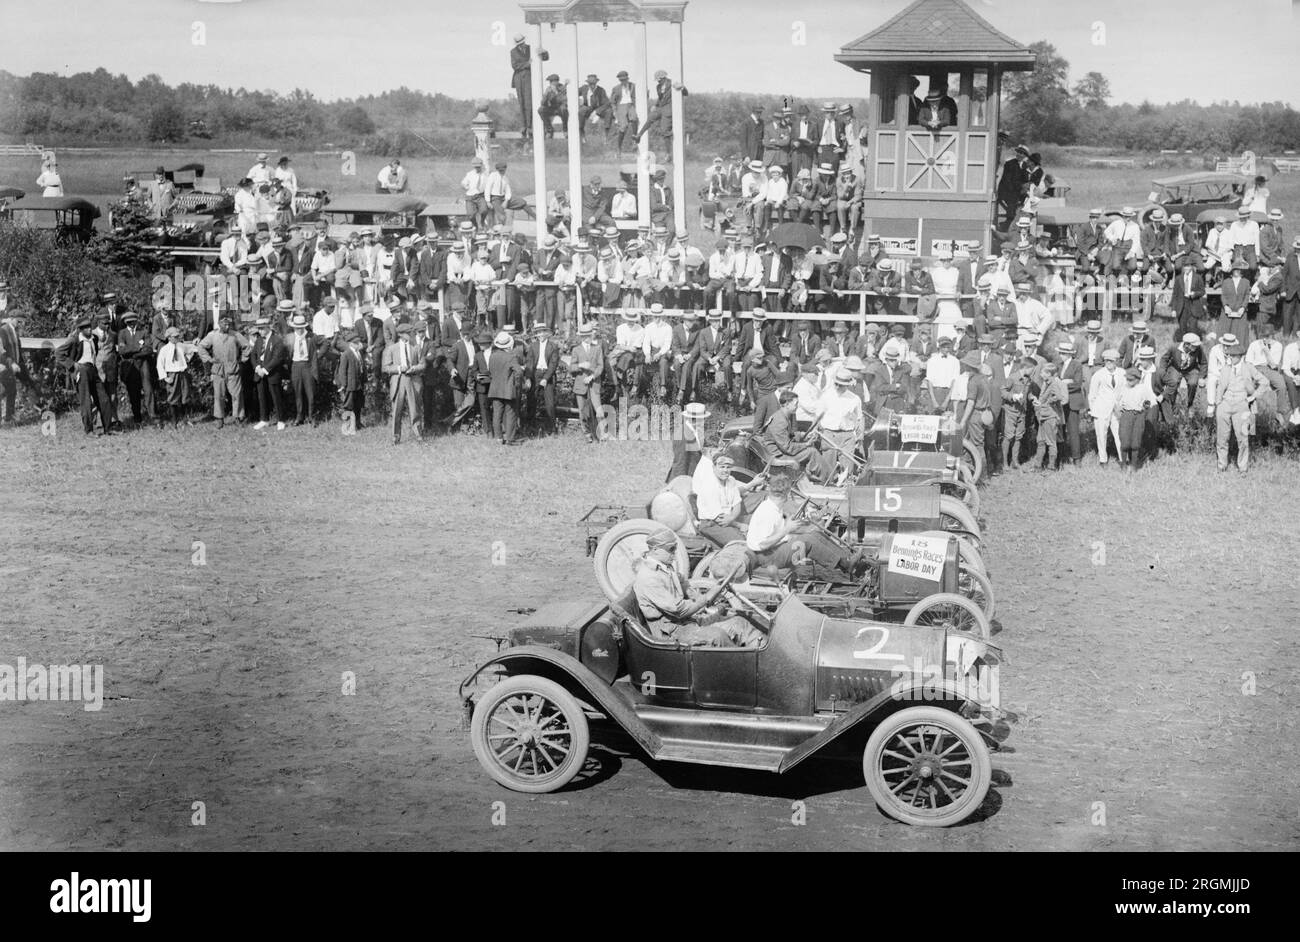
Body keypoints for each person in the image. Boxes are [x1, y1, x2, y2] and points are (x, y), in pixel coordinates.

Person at [632, 529, 762, 648]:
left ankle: (766, 656)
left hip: (686, 622)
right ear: (655, 550)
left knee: (739, 623)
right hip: (673, 632)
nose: (675, 553)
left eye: (675, 548)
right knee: (717, 636)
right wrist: (706, 598)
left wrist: (705, 593)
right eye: (671, 549)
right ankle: (744, 666)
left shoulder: (665, 567)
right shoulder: (649, 577)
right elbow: (679, 610)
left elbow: (685, 586)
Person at [1208, 342, 1265, 472]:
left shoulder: (1248, 368)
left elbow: (1264, 382)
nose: (1230, 358)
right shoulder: (1226, 368)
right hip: (1225, 404)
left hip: (1242, 405)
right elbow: (1220, 387)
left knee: (1243, 438)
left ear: (1240, 356)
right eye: (1229, 356)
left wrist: (1253, 396)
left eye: (1233, 356)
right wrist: (1218, 403)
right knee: (1222, 438)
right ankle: (1221, 466)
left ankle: (1243, 468)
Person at [692, 451, 762, 547]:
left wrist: (732, 517)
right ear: (713, 467)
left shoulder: (731, 480)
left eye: (728, 467)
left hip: (729, 518)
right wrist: (740, 525)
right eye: (722, 467)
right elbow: (720, 519)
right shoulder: (709, 485)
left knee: (759, 523)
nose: (725, 470)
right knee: (742, 542)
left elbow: (737, 504)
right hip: (712, 524)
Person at [57, 318, 114, 435]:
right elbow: (58, 353)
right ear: (80, 330)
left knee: (104, 399)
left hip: (93, 370)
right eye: (85, 328)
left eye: (89, 327)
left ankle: (108, 429)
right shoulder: (74, 340)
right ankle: (89, 431)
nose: (89, 329)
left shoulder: (95, 338)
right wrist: (73, 365)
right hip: (81, 370)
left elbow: (95, 353)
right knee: (86, 401)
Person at [0, 292, 40, 426]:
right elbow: (1, 352)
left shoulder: (14, 333)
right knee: (4, 391)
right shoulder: (3, 330)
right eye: (18, 321)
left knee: (11, 391)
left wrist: (23, 370)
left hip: (13, 366)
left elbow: (18, 352)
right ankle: (7, 419)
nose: (20, 324)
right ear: (11, 318)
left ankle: (8, 419)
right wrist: (11, 364)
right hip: (3, 367)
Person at [384, 323, 423, 444]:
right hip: (399, 380)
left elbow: (422, 364)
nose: (411, 335)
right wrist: (400, 368)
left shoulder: (415, 348)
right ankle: (395, 437)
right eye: (408, 333)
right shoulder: (392, 348)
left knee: (414, 409)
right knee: (397, 410)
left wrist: (414, 368)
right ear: (401, 334)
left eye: (411, 332)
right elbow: (386, 367)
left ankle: (419, 436)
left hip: (412, 380)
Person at [1086, 349, 1123, 464]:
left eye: (1111, 361)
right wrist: (1094, 410)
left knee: (1120, 435)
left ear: (1116, 361)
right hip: (1101, 409)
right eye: (1106, 360)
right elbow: (1092, 394)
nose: (1109, 363)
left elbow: (1125, 390)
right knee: (1101, 435)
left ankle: (1123, 459)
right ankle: (1103, 459)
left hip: (1117, 410)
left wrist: (1122, 406)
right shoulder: (1098, 375)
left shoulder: (1122, 373)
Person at [571, 322, 605, 443]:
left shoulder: (597, 348)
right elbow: (571, 367)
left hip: (594, 383)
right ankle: (587, 434)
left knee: (598, 409)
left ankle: (601, 434)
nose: (587, 338)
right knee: (583, 412)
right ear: (581, 337)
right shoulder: (576, 349)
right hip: (580, 385)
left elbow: (601, 366)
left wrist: (592, 376)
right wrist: (580, 365)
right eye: (584, 336)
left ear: (592, 335)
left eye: (589, 335)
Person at [154, 326, 193, 429]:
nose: (177, 338)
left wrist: (187, 359)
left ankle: (185, 420)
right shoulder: (165, 349)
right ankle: (174, 421)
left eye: (177, 336)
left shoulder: (181, 346)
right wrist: (164, 377)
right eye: (175, 336)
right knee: (173, 398)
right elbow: (159, 364)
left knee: (185, 396)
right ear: (169, 338)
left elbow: (191, 350)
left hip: (182, 373)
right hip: (172, 374)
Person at [487, 330, 521, 445]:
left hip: (495, 388)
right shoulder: (511, 357)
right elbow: (519, 372)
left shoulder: (492, 356)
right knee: (510, 413)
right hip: (508, 389)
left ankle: (498, 437)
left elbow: (490, 371)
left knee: (497, 414)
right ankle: (510, 439)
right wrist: (516, 383)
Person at [996, 145, 1028, 229]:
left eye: (1022, 153)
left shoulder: (1025, 165)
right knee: (1012, 201)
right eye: (1018, 152)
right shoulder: (1009, 164)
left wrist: (1024, 189)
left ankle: (1019, 222)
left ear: (1025, 156)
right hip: (1007, 190)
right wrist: (1018, 190)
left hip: (1018, 191)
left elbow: (1025, 180)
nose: (1019, 155)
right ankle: (1008, 224)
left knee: (1028, 200)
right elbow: (1007, 181)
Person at [509, 34, 533, 138]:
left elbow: (541, 58)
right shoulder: (513, 52)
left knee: (529, 101)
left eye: (522, 42)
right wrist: (527, 64)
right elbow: (515, 66)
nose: (522, 45)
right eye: (520, 43)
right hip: (518, 78)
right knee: (521, 102)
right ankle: (523, 125)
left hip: (529, 77)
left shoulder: (531, 48)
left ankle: (530, 125)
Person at [577, 74, 612, 142]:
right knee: (581, 110)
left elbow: (607, 103)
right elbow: (573, 92)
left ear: (596, 82)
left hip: (598, 109)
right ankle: (582, 133)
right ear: (588, 83)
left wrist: (597, 111)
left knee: (609, 111)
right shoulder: (584, 88)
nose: (592, 85)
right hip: (588, 108)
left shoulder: (601, 90)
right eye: (590, 83)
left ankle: (606, 134)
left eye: (594, 83)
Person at [538, 73, 568, 138]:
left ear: (557, 82)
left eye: (554, 81)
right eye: (551, 82)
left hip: (560, 108)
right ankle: (549, 130)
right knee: (541, 110)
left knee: (564, 109)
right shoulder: (548, 89)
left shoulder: (562, 88)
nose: (552, 83)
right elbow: (543, 103)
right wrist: (546, 96)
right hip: (552, 109)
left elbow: (564, 100)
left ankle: (565, 129)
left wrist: (556, 93)